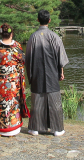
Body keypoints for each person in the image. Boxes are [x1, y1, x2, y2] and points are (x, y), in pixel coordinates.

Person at [24, 9, 69, 137]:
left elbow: (28, 58)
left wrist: (30, 74)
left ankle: (35, 128)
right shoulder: (54, 36)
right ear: (49, 20)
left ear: (38, 20)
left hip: (37, 72)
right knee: (54, 100)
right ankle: (57, 129)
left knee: (37, 100)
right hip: (52, 72)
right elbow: (60, 57)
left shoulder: (33, 36)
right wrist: (61, 71)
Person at [0, 23, 30, 137]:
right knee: (13, 104)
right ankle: (13, 127)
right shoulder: (17, 47)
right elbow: (23, 60)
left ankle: (0, 128)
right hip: (13, 83)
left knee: (0, 104)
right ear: (11, 34)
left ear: (1, 34)